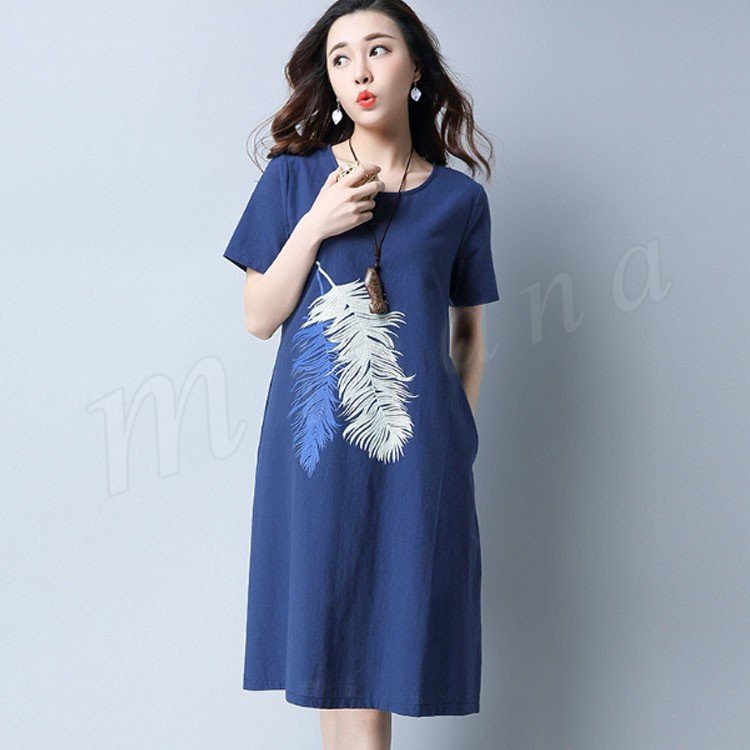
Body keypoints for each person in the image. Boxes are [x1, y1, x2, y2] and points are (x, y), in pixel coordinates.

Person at [222, 1, 500, 747]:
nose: (359, 71)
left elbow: (469, 333)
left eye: (378, 50)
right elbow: (258, 316)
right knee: (331, 658)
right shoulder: (294, 179)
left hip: (416, 450)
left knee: (381, 656)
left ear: (415, 68)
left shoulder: (459, 201)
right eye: (341, 58)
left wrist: (456, 438)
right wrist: (317, 223)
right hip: (314, 450)